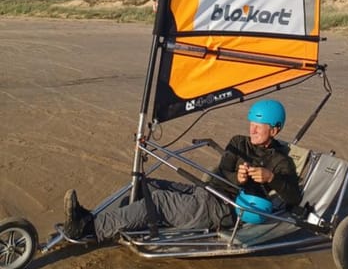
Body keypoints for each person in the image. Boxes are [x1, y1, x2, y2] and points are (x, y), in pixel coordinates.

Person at [63, 98, 301, 243]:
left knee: (158, 202)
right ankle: (94, 217)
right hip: (206, 191)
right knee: (146, 184)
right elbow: (224, 168)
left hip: (222, 209)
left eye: (259, 127)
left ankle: (90, 228)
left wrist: (272, 179)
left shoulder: (280, 163)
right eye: (252, 124)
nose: (253, 131)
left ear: (275, 130)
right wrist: (236, 177)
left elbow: (294, 198)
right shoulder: (238, 142)